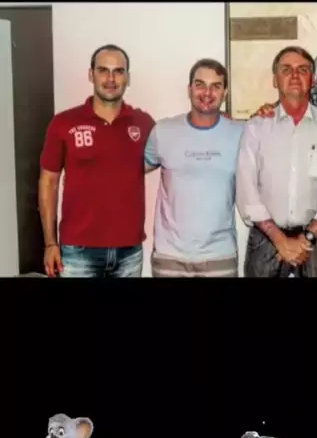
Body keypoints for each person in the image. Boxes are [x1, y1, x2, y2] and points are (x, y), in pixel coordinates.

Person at [39, 45, 156, 278]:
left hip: (129, 252)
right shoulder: (64, 123)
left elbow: (174, 147)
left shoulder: (143, 123)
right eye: (103, 70)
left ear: (128, 77)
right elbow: (48, 182)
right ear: (91, 74)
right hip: (77, 252)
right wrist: (50, 243)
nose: (111, 79)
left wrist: (217, 119)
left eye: (118, 71)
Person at [235, 47, 317, 278]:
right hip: (265, 237)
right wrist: (279, 239)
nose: (295, 75)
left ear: (313, 80)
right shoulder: (256, 127)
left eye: (303, 70)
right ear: (275, 80)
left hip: (316, 237)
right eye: (286, 70)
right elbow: (246, 188)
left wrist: (307, 237)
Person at [144, 58, 245, 278]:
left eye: (215, 86)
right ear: (189, 89)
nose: (207, 92)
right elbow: (129, 170)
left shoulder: (241, 133)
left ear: (225, 93)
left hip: (220, 255)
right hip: (169, 256)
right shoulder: (163, 131)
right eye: (200, 85)